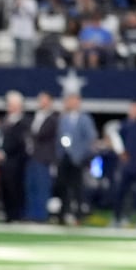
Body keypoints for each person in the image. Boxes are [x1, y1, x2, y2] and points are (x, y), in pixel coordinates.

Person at [54, 92, 97, 225]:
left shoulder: (85, 119)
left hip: (77, 158)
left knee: (77, 187)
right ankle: (63, 214)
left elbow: (90, 138)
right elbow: (58, 137)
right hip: (64, 157)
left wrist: (82, 154)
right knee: (62, 186)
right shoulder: (63, 118)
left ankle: (78, 215)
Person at [0, 91, 30, 223]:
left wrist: (5, 152)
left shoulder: (24, 122)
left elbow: (20, 142)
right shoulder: (5, 121)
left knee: (15, 188)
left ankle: (17, 214)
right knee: (4, 188)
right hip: (3, 162)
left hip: (16, 161)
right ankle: (7, 214)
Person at [25, 92, 57, 222]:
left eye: (44, 100)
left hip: (43, 158)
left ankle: (41, 216)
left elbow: (40, 135)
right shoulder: (34, 117)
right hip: (31, 157)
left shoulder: (53, 119)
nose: (41, 102)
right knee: (31, 186)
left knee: (42, 187)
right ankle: (31, 214)